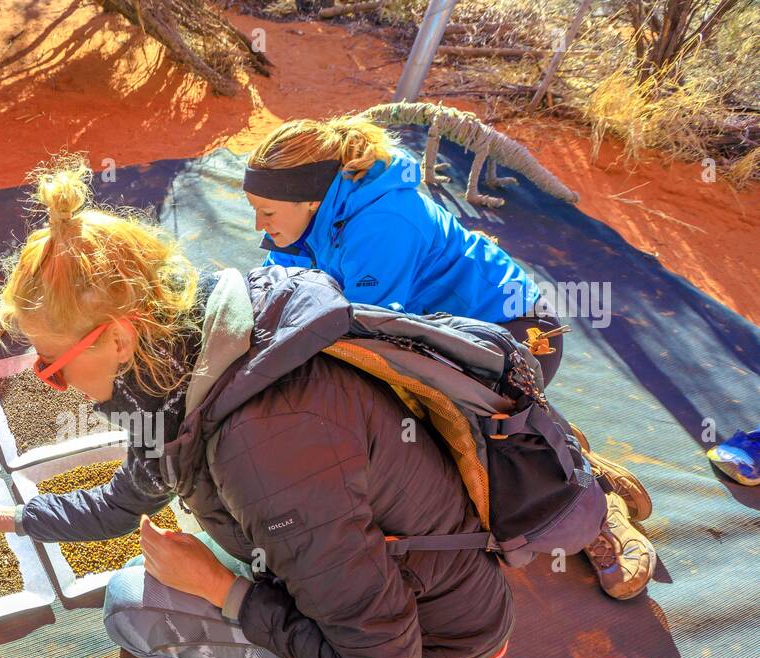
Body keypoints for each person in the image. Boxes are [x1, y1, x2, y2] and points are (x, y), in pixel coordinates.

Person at [0, 156, 514, 658]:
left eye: (52, 369)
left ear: (118, 339)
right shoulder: (189, 354)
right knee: (152, 575)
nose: (54, 385)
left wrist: (220, 589)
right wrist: (14, 517)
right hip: (381, 577)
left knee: (135, 610)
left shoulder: (264, 449)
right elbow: (124, 500)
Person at [244, 116, 656, 601]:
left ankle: (589, 498)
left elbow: (357, 331)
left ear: (309, 198)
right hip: (438, 336)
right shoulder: (302, 223)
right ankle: (555, 438)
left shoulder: (381, 223)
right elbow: (284, 296)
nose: (258, 226)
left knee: (470, 448)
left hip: (515, 333)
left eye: (266, 212)